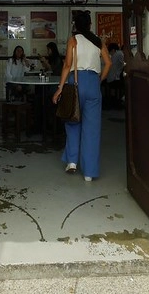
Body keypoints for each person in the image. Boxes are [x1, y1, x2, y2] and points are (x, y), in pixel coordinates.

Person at [52, 10, 111, 182]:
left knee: (72, 121)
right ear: (90, 25)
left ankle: (72, 162)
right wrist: (98, 80)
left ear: (76, 26)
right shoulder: (98, 41)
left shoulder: (73, 40)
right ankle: (89, 173)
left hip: (75, 83)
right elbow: (108, 63)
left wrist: (60, 88)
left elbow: (67, 65)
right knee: (92, 129)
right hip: (93, 83)